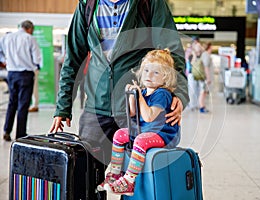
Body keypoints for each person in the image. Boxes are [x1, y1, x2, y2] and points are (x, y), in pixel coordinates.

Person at [49, 0, 188, 199]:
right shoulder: (88, 5)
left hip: (136, 110)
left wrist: (179, 94)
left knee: (139, 183)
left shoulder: (149, 3)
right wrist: (63, 106)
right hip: (96, 109)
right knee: (85, 179)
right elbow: (73, 57)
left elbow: (172, 50)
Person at [98, 49, 180, 195]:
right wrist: (132, 96)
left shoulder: (162, 94)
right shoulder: (143, 91)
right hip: (146, 130)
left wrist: (140, 98)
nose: (149, 75)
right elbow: (132, 113)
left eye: (156, 73)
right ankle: (115, 174)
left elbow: (149, 117)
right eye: (147, 70)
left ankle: (129, 181)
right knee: (119, 134)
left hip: (163, 134)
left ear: (165, 77)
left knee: (141, 140)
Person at [0, 20, 41, 141]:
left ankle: (7, 130)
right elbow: (37, 57)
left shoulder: (7, 38)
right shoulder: (29, 38)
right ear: (29, 29)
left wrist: (4, 61)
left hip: (11, 74)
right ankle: (20, 134)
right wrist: (36, 66)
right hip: (25, 74)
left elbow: (0, 52)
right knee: (23, 105)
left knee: (12, 102)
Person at [196, 42, 212, 113]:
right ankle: (202, 107)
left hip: (203, 76)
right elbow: (206, 67)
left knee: (204, 92)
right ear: (209, 47)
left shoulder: (204, 54)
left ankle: (202, 106)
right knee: (203, 92)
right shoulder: (206, 55)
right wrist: (208, 78)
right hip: (204, 77)